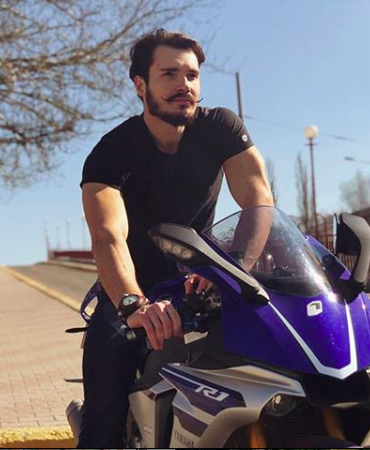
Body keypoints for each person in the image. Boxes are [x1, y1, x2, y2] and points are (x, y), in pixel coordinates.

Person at [79, 29, 274, 447]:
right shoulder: (112, 152)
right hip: (134, 288)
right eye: (169, 74)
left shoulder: (221, 127)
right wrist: (132, 304)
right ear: (140, 85)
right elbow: (108, 236)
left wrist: (233, 268)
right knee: (104, 406)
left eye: (192, 75)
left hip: (203, 279)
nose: (184, 85)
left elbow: (259, 200)